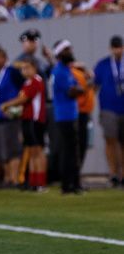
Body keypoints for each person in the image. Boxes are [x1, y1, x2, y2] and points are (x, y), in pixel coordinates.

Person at [1, 58, 47, 191]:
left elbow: (23, 99)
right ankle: (33, 182)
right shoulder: (27, 82)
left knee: (37, 152)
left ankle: (40, 183)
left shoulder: (36, 81)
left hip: (35, 120)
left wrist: (6, 105)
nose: (24, 70)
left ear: (34, 68)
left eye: (27, 67)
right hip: (27, 120)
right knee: (32, 152)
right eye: (23, 68)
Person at [0, 47, 24, 187]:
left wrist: (16, 106)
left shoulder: (12, 72)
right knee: (1, 150)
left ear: (5, 58)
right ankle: (7, 178)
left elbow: (23, 89)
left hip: (9, 116)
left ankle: (14, 179)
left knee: (12, 149)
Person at [51, 39, 84, 194]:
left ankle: (74, 183)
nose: (70, 52)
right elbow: (72, 91)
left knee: (72, 150)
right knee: (69, 151)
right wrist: (82, 88)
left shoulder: (65, 69)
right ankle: (68, 184)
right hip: (65, 115)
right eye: (66, 49)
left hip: (69, 113)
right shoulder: (60, 71)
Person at [94, 35, 124, 187]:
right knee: (110, 140)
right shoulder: (103, 64)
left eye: (119, 46)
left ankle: (123, 174)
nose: (117, 50)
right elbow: (95, 85)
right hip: (108, 108)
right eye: (115, 47)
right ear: (110, 48)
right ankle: (113, 173)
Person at [70, 60, 95, 167]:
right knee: (78, 143)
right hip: (77, 114)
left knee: (84, 143)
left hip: (85, 113)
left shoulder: (84, 77)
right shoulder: (73, 75)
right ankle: (74, 171)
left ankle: (77, 170)